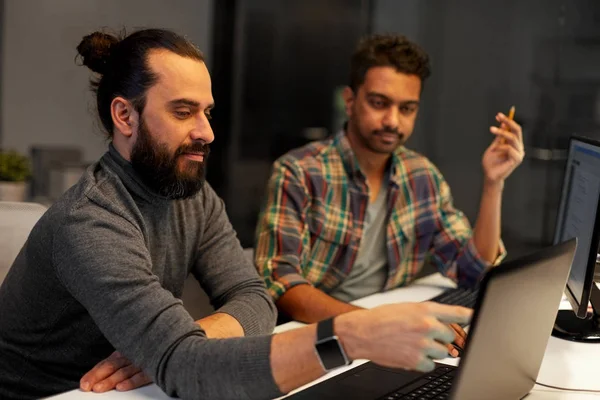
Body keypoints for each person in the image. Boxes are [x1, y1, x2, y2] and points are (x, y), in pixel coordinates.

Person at [0, 29, 472, 400]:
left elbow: (255, 296)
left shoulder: (191, 193)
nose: (206, 131)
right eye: (184, 111)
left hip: (142, 387)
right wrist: (349, 336)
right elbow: (189, 369)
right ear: (125, 116)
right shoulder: (91, 221)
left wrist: (188, 338)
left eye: (207, 111)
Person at [254, 33, 524, 324]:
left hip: (385, 328)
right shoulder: (299, 172)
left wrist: (493, 183)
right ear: (349, 101)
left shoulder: (421, 176)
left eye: (407, 108)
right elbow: (281, 285)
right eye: (379, 103)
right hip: (316, 335)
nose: (393, 121)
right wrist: (379, 325)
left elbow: (472, 271)